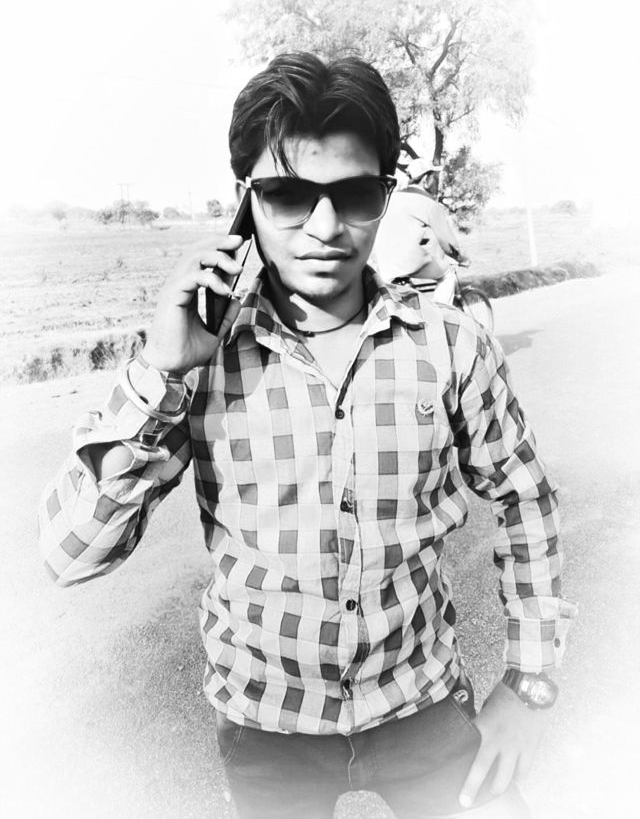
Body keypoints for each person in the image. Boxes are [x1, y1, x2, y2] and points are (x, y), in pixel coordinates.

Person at [38, 52, 575, 819]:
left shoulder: (452, 343)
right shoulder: (200, 355)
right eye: (288, 195)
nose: (324, 227)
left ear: (385, 194)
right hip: (268, 728)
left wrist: (530, 682)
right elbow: (69, 553)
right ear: (244, 202)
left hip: (421, 701)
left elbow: (527, 501)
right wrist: (161, 371)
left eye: (353, 194)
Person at [373, 157, 464, 304]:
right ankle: (441, 313)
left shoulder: (391, 198)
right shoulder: (428, 203)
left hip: (384, 267)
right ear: (426, 179)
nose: (436, 183)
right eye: (434, 178)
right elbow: (449, 245)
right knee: (448, 274)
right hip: (409, 264)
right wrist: (462, 259)